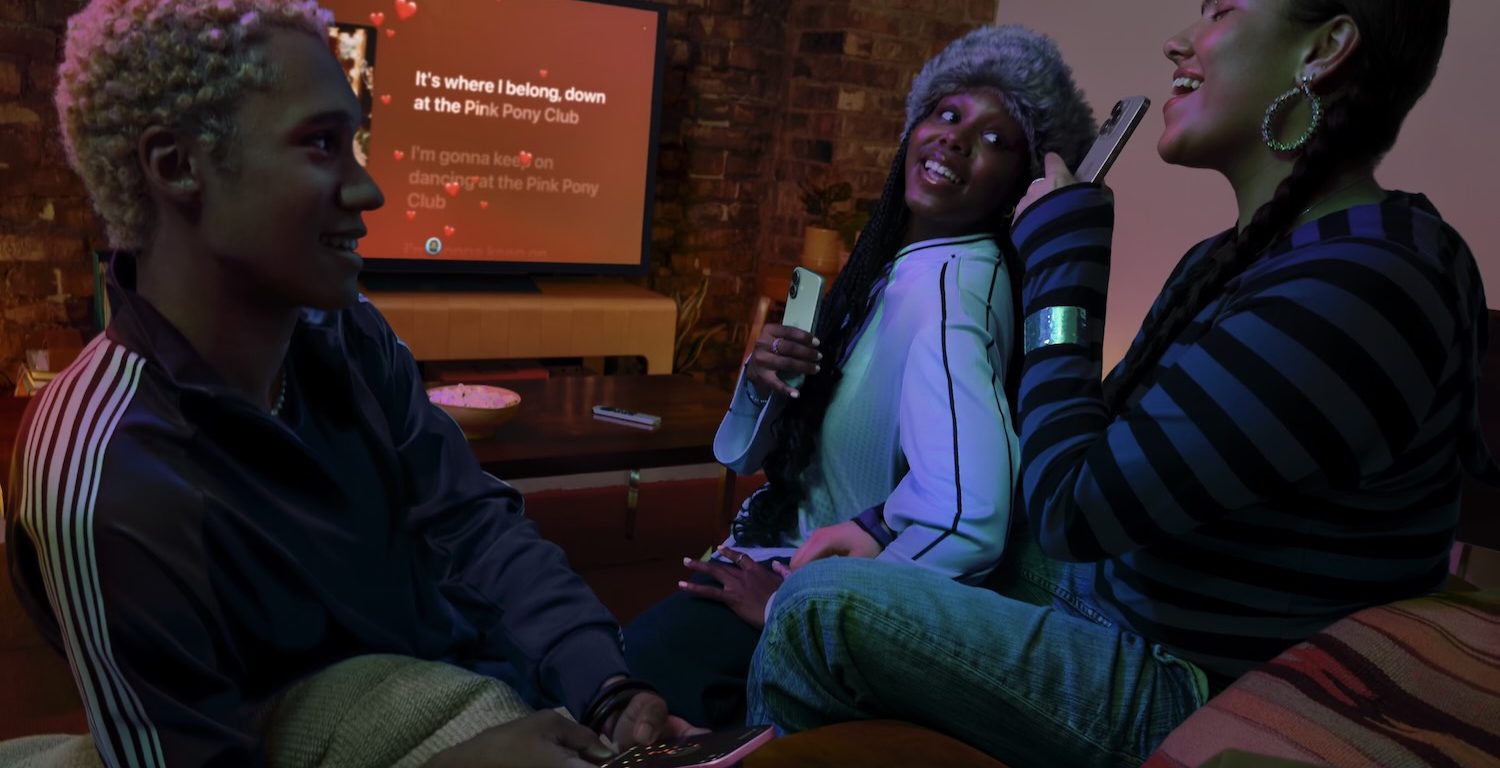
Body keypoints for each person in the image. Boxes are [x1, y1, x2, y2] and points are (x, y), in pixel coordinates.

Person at [748, 1, 1491, 766]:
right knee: (856, 565)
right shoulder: (1234, 259)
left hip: (1203, 680)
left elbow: (1074, 508)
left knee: (816, 610)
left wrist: (1061, 273)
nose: (1179, 43)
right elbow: (1091, 447)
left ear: (1325, 48)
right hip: (1133, 594)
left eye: (1221, 11)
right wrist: (882, 525)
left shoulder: (1364, 283)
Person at [5, 1, 689, 765]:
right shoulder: (106, 470)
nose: (368, 192)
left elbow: (469, 525)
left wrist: (606, 686)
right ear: (175, 165)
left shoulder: (347, 333)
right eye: (321, 144)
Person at [624, 25, 1096, 729]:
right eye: (947, 113)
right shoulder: (892, 269)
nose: (956, 139)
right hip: (772, 553)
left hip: (803, 593)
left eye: (997, 140)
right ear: (912, 128)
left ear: (1020, 184)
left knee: (625, 675)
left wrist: (796, 608)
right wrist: (761, 384)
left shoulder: (953, 289)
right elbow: (750, 457)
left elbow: (968, 519)